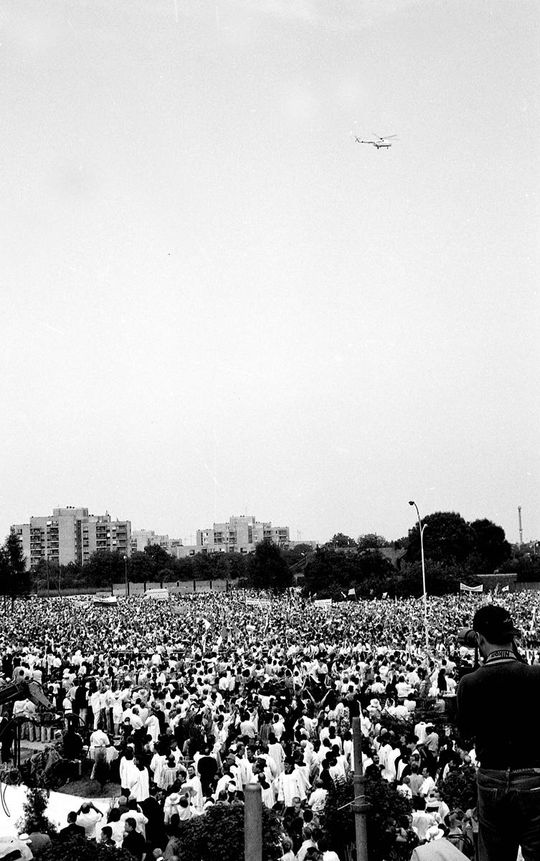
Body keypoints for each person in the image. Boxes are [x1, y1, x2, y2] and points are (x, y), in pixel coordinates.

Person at [457, 604, 540, 861]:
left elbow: (465, 732)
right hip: (534, 778)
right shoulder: (536, 675)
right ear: (512, 637)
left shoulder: (470, 683)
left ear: (479, 639)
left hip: (492, 779)